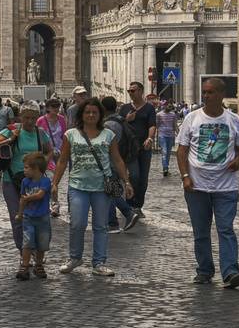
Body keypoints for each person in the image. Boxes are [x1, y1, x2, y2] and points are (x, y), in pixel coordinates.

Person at [176, 76, 239, 287]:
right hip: (197, 186)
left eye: (211, 92)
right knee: (201, 231)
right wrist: (185, 176)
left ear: (222, 94)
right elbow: (182, 150)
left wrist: (238, 160)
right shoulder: (192, 119)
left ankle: (231, 271)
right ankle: (205, 270)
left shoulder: (233, 120)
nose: (206, 96)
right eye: (204, 92)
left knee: (226, 228)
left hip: (226, 186)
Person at [54, 97, 127, 277]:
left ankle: (99, 262)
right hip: (77, 185)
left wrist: (127, 181)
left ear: (100, 115)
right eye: (87, 112)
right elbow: (63, 161)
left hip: (102, 186)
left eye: (95, 112)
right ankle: (75, 257)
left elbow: (117, 160)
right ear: (82, 114)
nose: (91, 115)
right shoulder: (70, 135)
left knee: (100, 226)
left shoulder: (108, 135)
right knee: (77, 224)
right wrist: (55, 183)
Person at [0, 105, 50, 260]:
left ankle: (32, 249)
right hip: (11, 181)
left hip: (34, 183)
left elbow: (50, 151)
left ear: (37, 118)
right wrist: (11, 139)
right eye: (26, 117)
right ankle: (24, 253)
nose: (29, 121)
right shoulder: (10, 131)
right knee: (18, 219)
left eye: (33, 118)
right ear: (20, 116)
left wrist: (43, 163)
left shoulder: (40, 133)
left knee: (36, 218)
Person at [116, 82, 157, 228]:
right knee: (134, 175)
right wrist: (126, 120)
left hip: (144, 148)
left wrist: (150, 138)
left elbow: (152, 125)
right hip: (129, 149)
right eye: (129, 91)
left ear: (140, 92)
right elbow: (118, 124)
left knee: (144, 178)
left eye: (132, 91)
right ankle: (129, 203)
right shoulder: (125, 108)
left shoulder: (149, 108)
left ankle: (138, 205)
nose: (130, 93)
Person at [15, 152, 54, 281]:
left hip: (42, 217)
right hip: (28, 217)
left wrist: (27, 198)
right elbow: (22, 200)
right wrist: (20, 214)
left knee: (42, 243)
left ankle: (38, 264)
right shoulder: (25, 181)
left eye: (26, 167)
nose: (24, 170)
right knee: (27, 242)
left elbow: (40, 195)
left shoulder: (46, 181)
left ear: (36, 169)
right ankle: (25, 266)